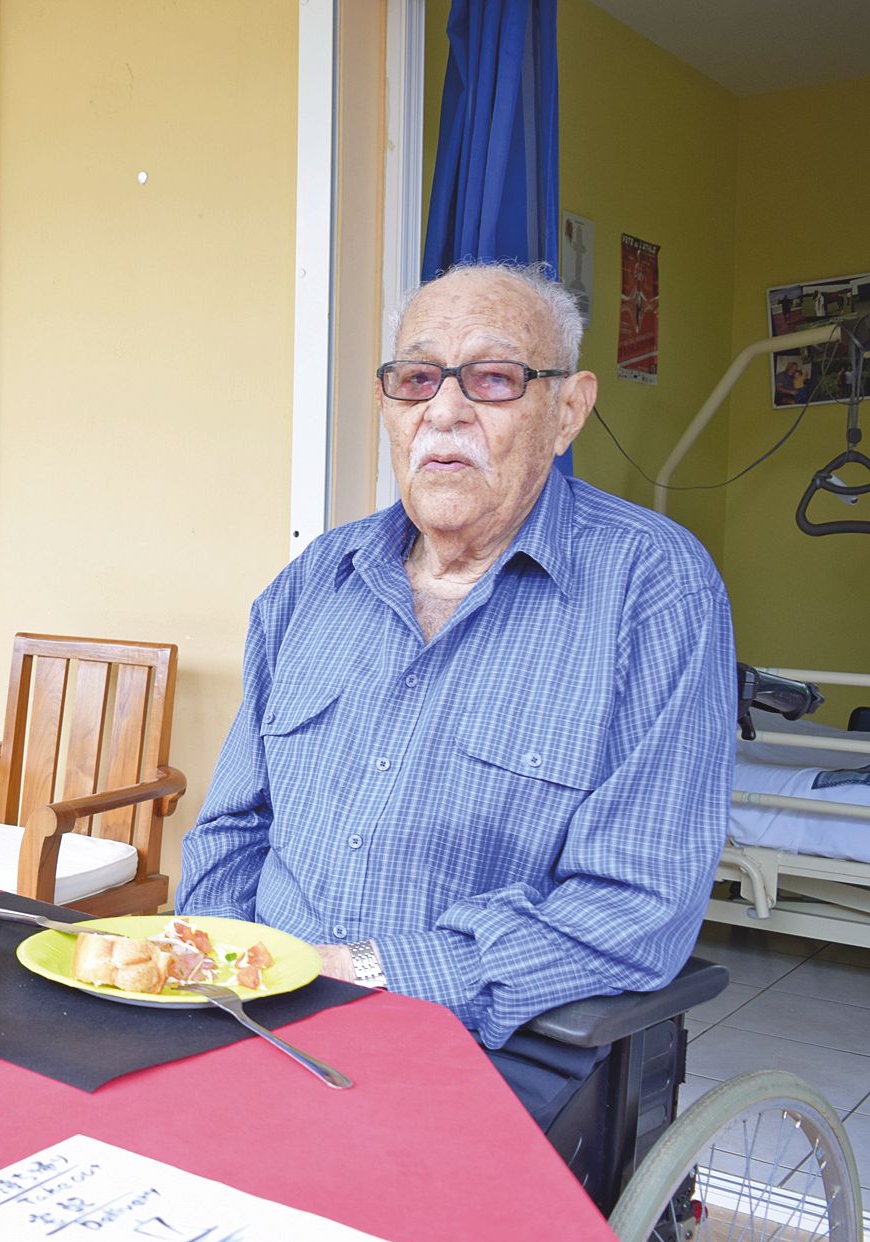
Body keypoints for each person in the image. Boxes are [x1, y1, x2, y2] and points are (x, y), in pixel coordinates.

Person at [176, 262, 734, 1126]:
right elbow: (230, 829)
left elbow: (635, 907)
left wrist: (361, 972)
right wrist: (218, 974)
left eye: (493, 378)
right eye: (415, 379)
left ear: (568, 410)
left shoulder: (652, 586)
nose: (442, 411)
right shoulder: (313, 581)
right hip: (260, 1015)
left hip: (490, 1048)